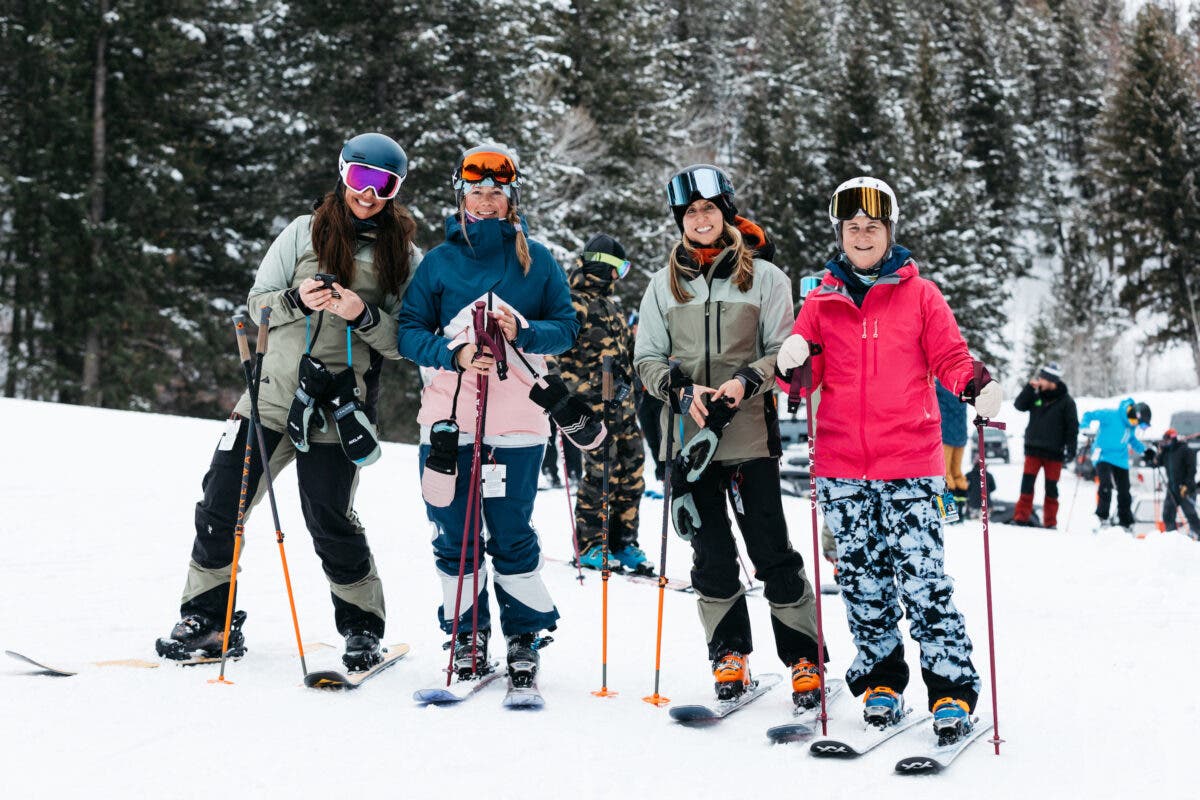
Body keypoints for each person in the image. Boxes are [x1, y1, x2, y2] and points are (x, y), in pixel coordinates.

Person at [155, 132, 420, 671]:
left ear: (395, 190)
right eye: (359, 179)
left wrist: (361, 314)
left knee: (329, 518)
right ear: (343, 174)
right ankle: (207, 620)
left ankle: (362, 629)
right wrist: (298, 299)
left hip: (339, 409)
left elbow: (404, 342)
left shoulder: (405, 255)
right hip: (271, 398)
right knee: (220, 501)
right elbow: (259, 307)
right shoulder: (303, 232)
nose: (368, 193)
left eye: (382, 184)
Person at [776, 176, 1003, 742]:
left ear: (888, 233)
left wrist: (974, 384)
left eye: (871, 227)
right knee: (862, 580)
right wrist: (794, 358)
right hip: (842, 467)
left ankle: (951, 690)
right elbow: (802, 382)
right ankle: (880, 681)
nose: (861, 235)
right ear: (841, 233)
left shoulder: (920, 295)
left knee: (924, 581)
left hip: (908, 461)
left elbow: (950, 356)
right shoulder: (821, 300)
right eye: (852, 227)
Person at [634, 164, 824, 710]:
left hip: (749, 439)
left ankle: (803, 657)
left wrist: (746, 381)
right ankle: (729, 652)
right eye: (690, 212)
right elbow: (645, 357)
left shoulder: (765, 278)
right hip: (687, 443)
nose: (700, 219)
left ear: (726, 214)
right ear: (680, 220)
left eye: (709, 210)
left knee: (771, 551)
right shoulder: (662, 285)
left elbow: (784, 350)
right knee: (710, 555)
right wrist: (677, 388)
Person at [397, 143, 578, 688]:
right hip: (448, 423)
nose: (486, 198)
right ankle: (468, 634)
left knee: (511, 533)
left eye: (497, 191)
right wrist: (452, 353)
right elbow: (409, 332)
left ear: (510, 198)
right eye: (476, 190)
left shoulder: (538, 260)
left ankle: (523, 638)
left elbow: (566, 328)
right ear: (462, 194)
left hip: (518, 426)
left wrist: (524, 331)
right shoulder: (439, 262)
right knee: (453, 534)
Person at [557, 234, 649, 573]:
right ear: (606, 267)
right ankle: (590, 543)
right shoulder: (571, 303)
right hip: (590, 407)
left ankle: (623, 541)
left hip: (621, 405)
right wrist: (568, 399)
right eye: (620, 269)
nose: (619, 277)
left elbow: (624, 354)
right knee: (601, 471)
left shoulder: (612, 306)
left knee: (633, 466)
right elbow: (555, 356)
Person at [1010, 362, 1078, 529]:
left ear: (1051, 380)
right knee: (1026, 485)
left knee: (1052, 490)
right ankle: (1020, 518)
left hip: (1054, 454)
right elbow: (1018, 406)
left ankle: (1050, 522)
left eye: (1042, 378)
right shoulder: (1035, 395)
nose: (1039, 380)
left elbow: (1072, 427)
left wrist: (1071, 449)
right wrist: (1028, 388)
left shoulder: (1067, 401)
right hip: (1033, 450)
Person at [1080, 398, 1150, 531]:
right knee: (1105, 485)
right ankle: (1103, 517)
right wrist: (1085, 427)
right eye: (1138, 423)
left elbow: (1132, 440)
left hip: (1120, 458)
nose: (1136, 425)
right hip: (1103, 455)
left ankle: (1125, 522)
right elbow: (1088, 415)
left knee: (1124, 490)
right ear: (1134, 415)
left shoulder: (1131, 426)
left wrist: (1145, 451)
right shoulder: (1111, 415)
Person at [1155, 429, 1199, 538]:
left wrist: (1187, 485)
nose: (1166, 442)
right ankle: (1172, 537)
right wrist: (1159, 451)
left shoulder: (1184, 450)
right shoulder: (1165, 453)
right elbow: (1156, 462)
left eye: (1167, 440)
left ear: (1173, 439)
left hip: (1185, 489)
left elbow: (1192, 469)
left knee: (1191, 514)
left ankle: (1198, 535)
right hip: (1172, 489)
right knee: (1167, 514)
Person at [935, 379, 969, 520]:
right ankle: (961, 511)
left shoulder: (940, 386)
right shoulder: (963, 386)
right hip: (960, 435)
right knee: (957, 473)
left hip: (945, 435)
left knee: (945, 474)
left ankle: (948, 514)